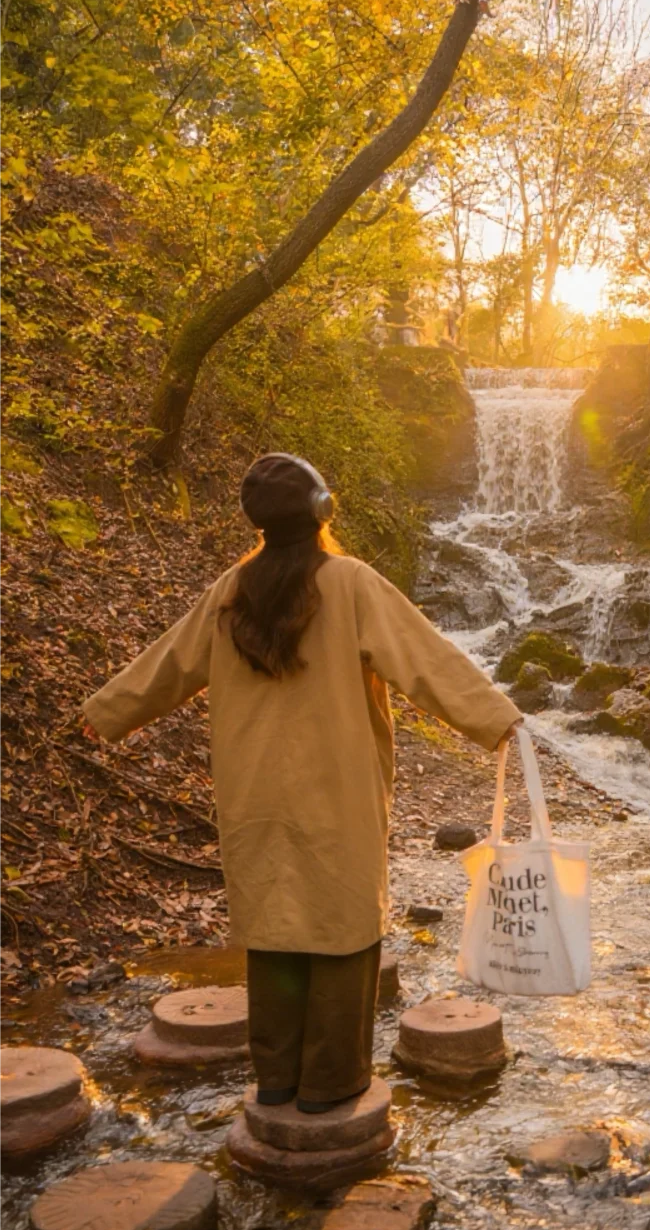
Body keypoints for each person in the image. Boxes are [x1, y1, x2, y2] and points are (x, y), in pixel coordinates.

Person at [83, 454, 521, 1113]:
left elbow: (166, 666)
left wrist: (102, 714)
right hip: (337, 789)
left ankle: (278, 1078)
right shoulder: (350, 583)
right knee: (343, 932)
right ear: (322, 511)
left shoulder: (231, 591)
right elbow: (426, 661)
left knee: (273, 926)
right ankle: (330, 1085)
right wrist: (499, 720)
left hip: (253, 790)